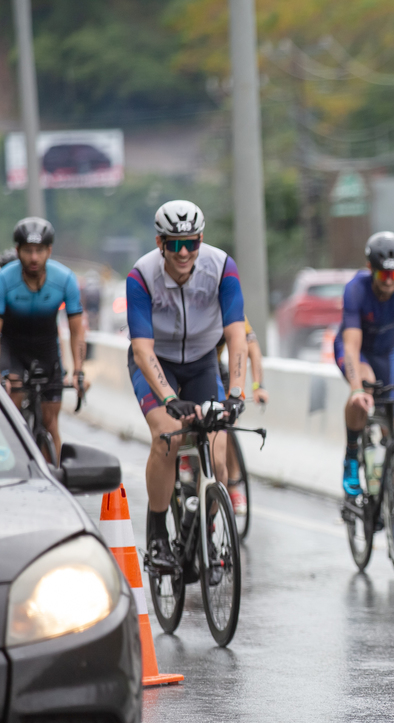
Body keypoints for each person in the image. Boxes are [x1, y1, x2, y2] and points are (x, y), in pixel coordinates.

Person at [127, 200, 248, 574]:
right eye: (174, 243)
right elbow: (142, 350)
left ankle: (206, 534)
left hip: (201, 362)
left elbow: (238, 337)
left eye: (190, 243)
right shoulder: (142, 276)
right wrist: (168, 398)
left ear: (200, 240)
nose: (183, 253)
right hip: (155, 362)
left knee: (219, 451)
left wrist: (236, 395)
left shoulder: (222, 267)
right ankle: (158, 537)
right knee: (169, 436)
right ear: (160, 242)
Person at [0, 218, 88, 460]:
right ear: (18, 250)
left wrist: (78, 371)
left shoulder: (65, 279)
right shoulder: (2, 281)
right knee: (14, 417)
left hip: (47, 350)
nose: (33, 258)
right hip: (13, 349)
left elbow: (77, 330)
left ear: (49, 251)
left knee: (51, 424)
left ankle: (54, 477)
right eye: (28, 251)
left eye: (39, 251)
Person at [336, 231, 394, 499]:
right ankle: (351, 456)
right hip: (357, 352)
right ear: (370, 268)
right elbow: (351, 345)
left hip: (387, 352)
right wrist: (357, 388)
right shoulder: (356, 289)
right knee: (365, 388)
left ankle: (391, 489)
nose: (388, 282)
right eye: (382, 275)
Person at [217, 320, 268, 515]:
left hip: (214, 368)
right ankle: (187, 458)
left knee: (228, 423)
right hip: (185, 364)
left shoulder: (231, 308)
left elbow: (253, 349)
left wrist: (258, 386)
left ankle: (232, 486)